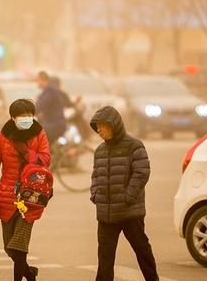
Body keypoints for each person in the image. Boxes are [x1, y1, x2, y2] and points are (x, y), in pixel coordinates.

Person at [0, 99, 51, 281]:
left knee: (19, 246)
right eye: (23, 115)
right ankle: (29, 273)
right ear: (13, 117)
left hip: (31, 196)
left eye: (30, 114)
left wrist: (26, 152)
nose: (27, 118)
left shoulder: (39, 134)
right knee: (9, 247)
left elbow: (45, 159)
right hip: (6, 197)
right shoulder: (2, 136)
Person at [89, 106, 159, 281]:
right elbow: (95, 175)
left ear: (113, 125)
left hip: (129, 211)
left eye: (101, 126)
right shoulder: (99, 151)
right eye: (96, 126)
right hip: (105, 213)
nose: (98, 130)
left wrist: (129, 197)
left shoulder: (134, 145)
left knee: (142, 250)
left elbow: (142, 173)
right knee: (105, 257)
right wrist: (95, 194)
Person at [35, 71, 66, 145]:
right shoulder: (49, 90)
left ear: (42, 80)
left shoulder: (50, 90)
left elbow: (40, 105)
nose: (37, 83)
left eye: (38, 80)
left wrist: (27, 112)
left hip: (54, 125)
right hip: (52, 123)